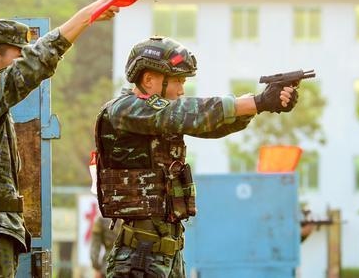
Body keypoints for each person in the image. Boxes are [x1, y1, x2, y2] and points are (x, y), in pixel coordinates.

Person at [94, 36, 299, 278]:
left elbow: (209, 125)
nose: (181, 90)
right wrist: (257, 101)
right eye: (177, 81)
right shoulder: (124, 109)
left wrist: (260, 105)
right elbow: (190, 114)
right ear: (149, 79)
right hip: (139, 256)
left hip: (166, 254)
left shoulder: (160, 116)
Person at [0, 0, 119, 278]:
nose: (21, 63)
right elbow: (38, 61)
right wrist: (84, 17)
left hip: (3, 229)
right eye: (17, 55)